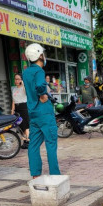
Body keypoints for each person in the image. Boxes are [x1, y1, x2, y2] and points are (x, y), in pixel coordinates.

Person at [22, 43, 61, 178]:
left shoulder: (26, 72)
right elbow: (39, 85)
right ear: (39, 55)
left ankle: (35, 175)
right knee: (51, 143)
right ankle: (55, 175)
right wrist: (43, 95)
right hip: (44, 111)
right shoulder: (39, 71)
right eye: (43, 54)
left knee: (33, 144)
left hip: (32, 112)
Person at [10, 74, 29, 148]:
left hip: (24, 107)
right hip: (17, 108)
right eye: (15, 79)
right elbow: (13, 101)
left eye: (18, 79)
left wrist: (23, 83)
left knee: (25, 125)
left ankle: (27, 141)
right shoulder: (14, 89)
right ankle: (25, 140)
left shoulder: (24, 88)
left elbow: (26, 89)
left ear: (21, 80)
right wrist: (12, 110)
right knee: (20, 126)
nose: (16, 80)